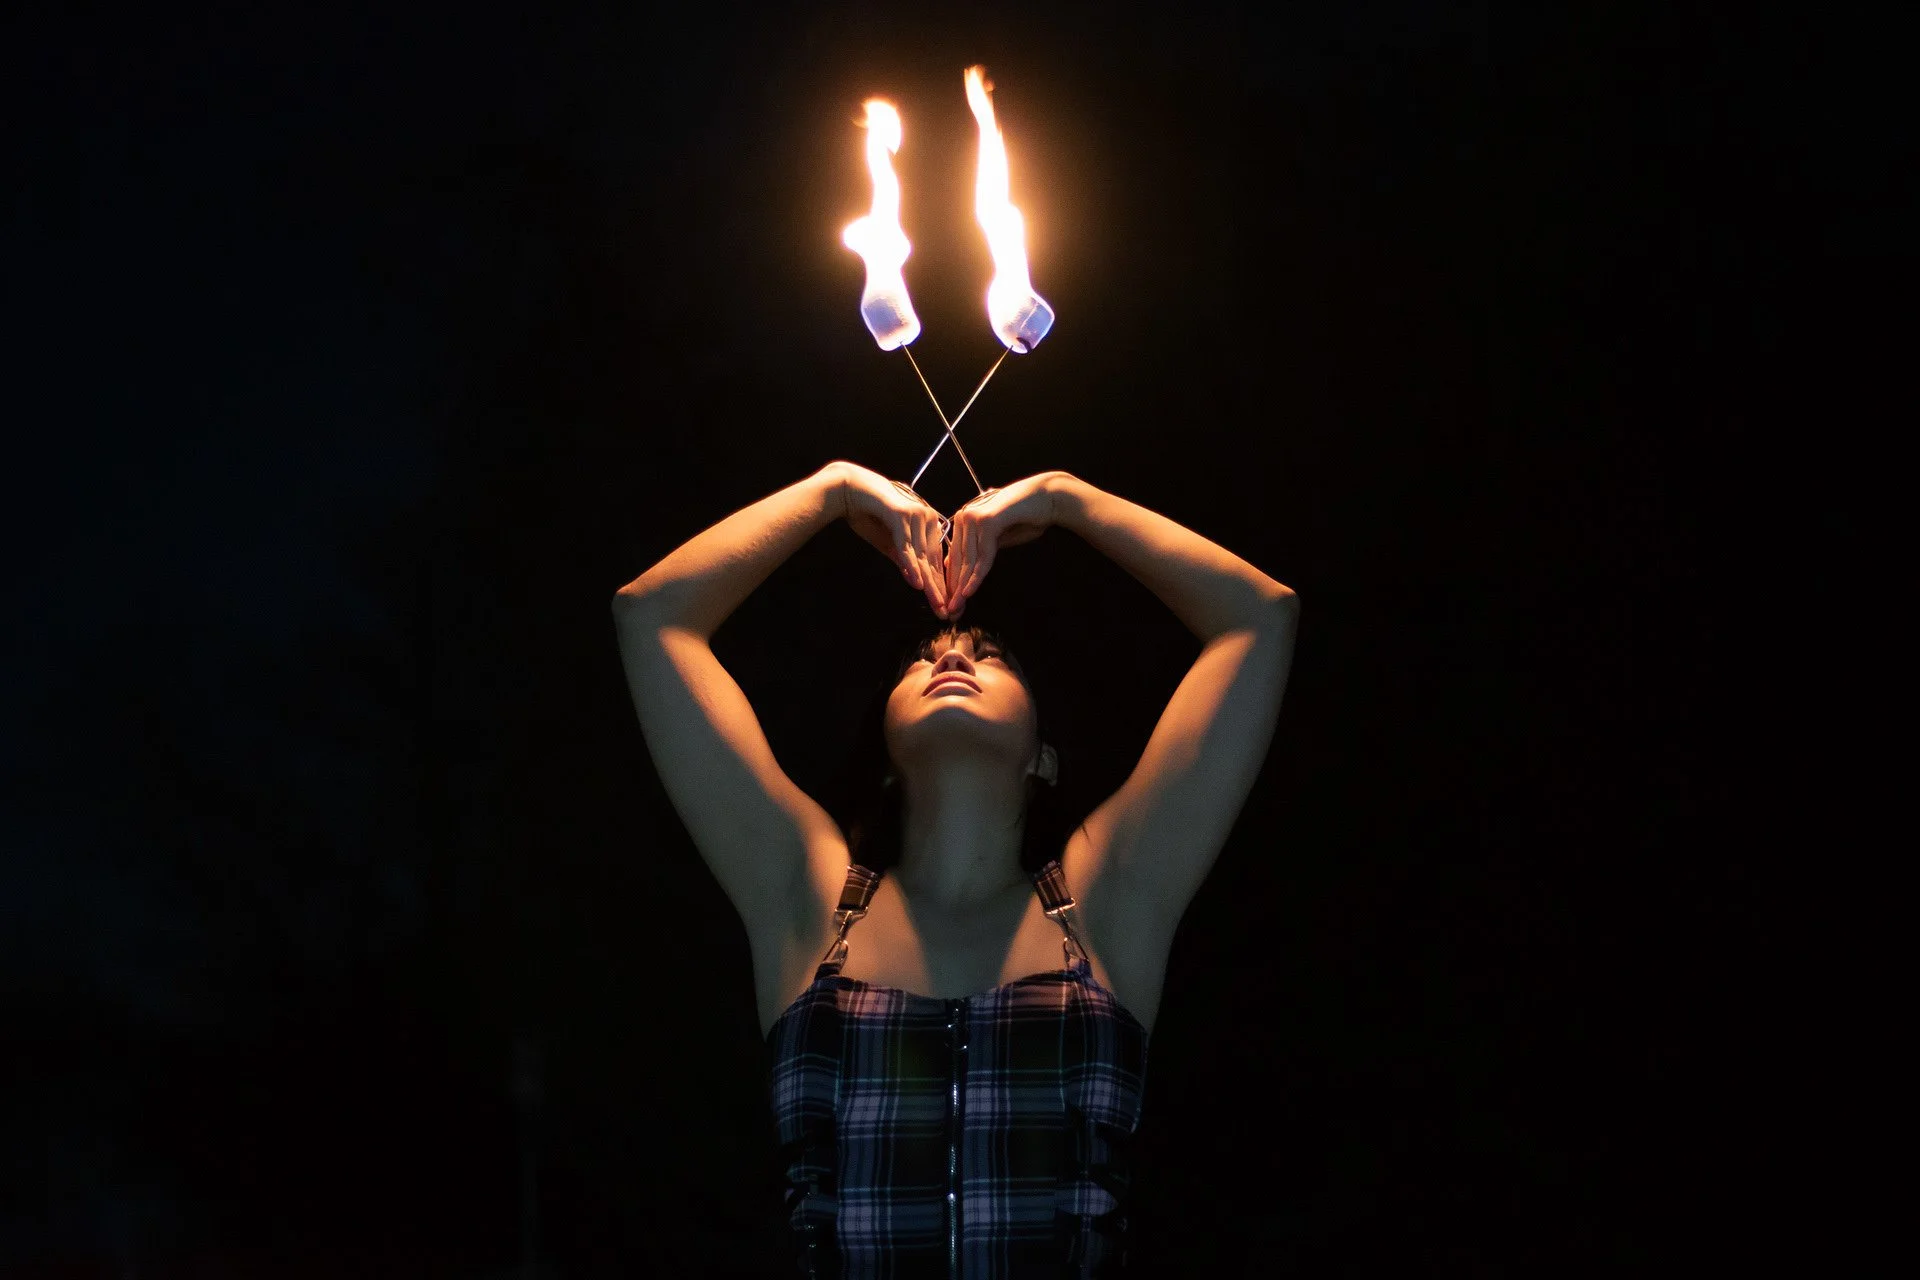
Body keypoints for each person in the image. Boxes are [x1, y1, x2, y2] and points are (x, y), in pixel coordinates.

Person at [612, 461, 1297, 1277]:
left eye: (990, 653)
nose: (951, 656)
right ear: (889, 759)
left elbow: (1260, 617)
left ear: (1042, 759)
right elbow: (652, 617)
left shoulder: (1107, 901)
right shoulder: (809, 897)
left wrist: (1064, 498)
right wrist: (832, 490)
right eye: (923, 655)